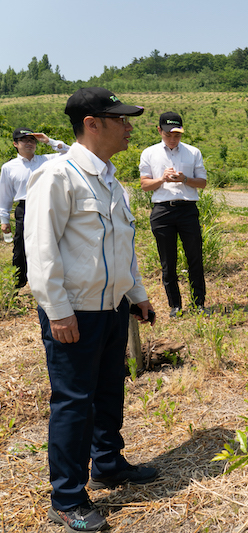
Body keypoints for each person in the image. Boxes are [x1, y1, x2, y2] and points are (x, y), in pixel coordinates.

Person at [25, 87, 158, 533]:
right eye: (120, 119)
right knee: (74, 402)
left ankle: (107, 463)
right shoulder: (56, 175)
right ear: (92, 123)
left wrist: (136, 292)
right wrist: (57, 310)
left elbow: (124, 244)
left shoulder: (110, 180)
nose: (129, 126)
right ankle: (66, 497)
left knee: (107, 390)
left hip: (112, 306)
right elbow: (40, 249)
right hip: (74, 312)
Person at [139, 112, 208, 318]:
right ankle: (175, 305)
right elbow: (144, 185)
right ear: (159, 131)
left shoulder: (193, 152)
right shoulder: (149, 153)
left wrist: (184, 179)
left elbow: (202, 182)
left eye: (177, 134)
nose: (172, 139)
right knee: (168, 261)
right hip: (162, 211)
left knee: (195, 257)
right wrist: (162, 179)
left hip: (187, 209)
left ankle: (199, 303)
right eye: (168, 134)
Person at [0, 128, 69, 289]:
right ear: (15, 144)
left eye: (32, 140)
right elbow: (5, 195)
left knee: (51, 242)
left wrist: (49, 141)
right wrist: (4, 220)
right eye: (24, 140)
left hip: (46, 204)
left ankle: (51, 281)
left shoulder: (47, 160)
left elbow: (70, 153)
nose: (29, 143)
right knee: (20, 246)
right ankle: (18, 284)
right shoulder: (9, 167)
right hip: (24, 207)